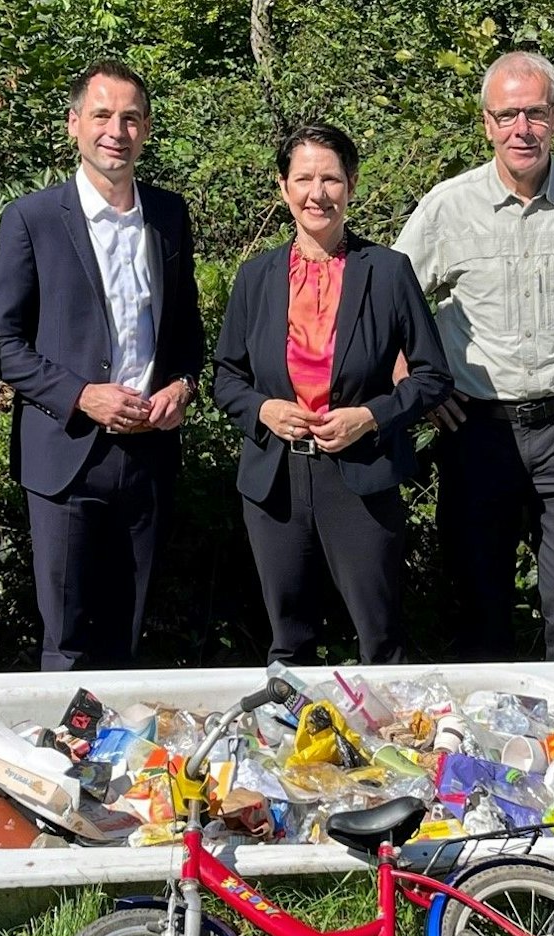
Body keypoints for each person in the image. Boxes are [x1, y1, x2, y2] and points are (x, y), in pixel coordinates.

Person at [393, 50, 554, 663]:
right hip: (476, 428)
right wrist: (416, 388)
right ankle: (486, 745)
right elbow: (393, 304)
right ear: (486, 124)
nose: (520, 129)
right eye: (506, 115)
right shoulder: (448, 206)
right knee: (480, 604)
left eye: (534, 113)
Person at [0, 61, 206, 671]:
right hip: (67, 453)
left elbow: (186, 333)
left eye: (131, 117)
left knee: (130, 632)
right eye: (102, 115)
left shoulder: (168, 215)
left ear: (147, 128)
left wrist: (183, 385)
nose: (117, 130)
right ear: (75, 124)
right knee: (68, 638)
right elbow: (0, 344)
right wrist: (82, 395)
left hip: (149, 451)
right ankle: (63, 762)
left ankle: (122, 760)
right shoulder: (31, 220)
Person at [212, 124, 454, 663]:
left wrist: (369, 416)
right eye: (303, 179)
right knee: (287, 638)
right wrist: (264, 409)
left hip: (360, 476)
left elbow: (433, 376)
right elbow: (226, 377)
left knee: (379, 636)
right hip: (275, 480)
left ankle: (386, 744)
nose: (316, 193)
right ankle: (292, 743)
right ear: (283, 187)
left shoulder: (389, 272)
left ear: (351, 185)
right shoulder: (255, 277)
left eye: (330, 179)